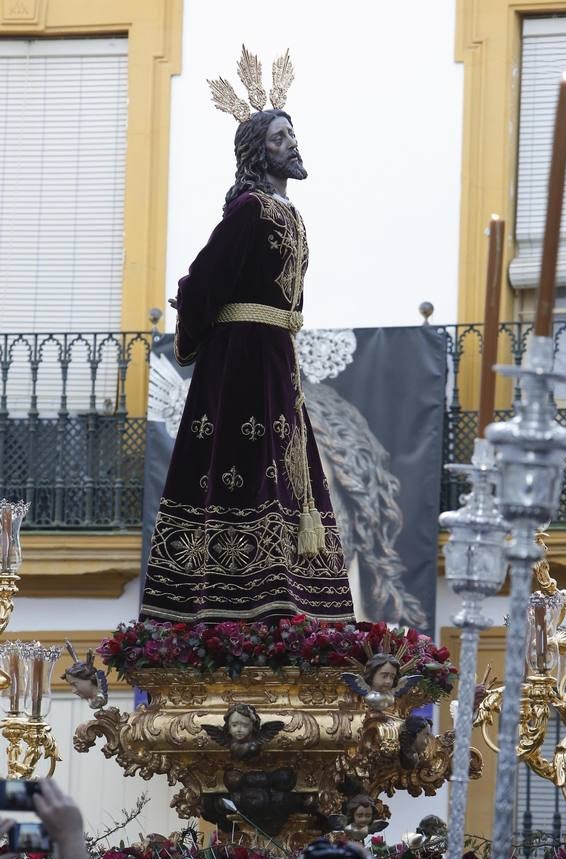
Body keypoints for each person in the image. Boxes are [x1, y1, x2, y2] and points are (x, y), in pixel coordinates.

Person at [141, 46, 354, 625]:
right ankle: (234, 591)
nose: (293, 144)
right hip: (242, 358)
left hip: (275, 355)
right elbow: (206, 274)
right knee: (244, 455)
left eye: (292, 134)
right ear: (259, 151)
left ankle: (288, 585)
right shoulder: (250, 210)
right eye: (281, 137)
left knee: (286, 465)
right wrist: (191, 310)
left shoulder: (289, 213)